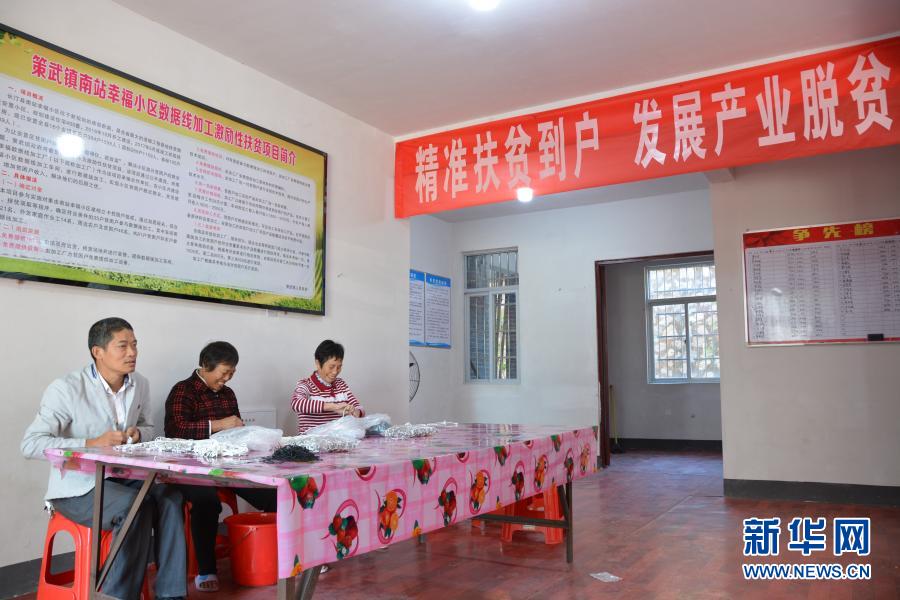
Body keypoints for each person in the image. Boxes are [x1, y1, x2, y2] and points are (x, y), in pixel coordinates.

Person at [21, 317, 187, 600]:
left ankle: (171, 594)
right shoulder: (67, 389)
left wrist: (138, 434)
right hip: (78, 487)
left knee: (170, 497)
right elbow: (31, 444)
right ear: (97, 351)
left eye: (135, 345)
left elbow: (148, 426)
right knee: (136, 506)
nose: (132, 353)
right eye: (122, 346)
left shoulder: (140, 384)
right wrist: (90, 444)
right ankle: (117, 596)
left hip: (124, 477)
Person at [164, 341, 277, 593]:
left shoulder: (228, 394)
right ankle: (206, 570)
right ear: (206, 366)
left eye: (232, 373)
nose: (226, 379)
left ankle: (277, 555)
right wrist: (218, 425)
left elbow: (235, 431)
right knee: (206, 502)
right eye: (224, 372)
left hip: (227, 465)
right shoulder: (183, 391)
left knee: (274, 493)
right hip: (190, 467)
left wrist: (249, 436)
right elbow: (175, 431)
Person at [291, 339, 365, 433]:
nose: (335, 372)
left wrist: (355, 412)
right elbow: (297, 403)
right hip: (312, 441)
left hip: (339, 439)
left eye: (339, 367)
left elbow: (359, 408)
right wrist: (333, 407)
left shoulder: (341, 384)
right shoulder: (306, 384)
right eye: (331, 367)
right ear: (318, 364)